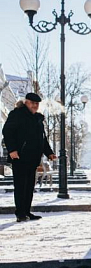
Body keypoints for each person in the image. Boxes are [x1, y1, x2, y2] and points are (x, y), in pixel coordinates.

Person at [2, 93, 56, 222]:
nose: (35, 106)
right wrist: (12, 150)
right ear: (26, 102)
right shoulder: (17, 114)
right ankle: (20, 213)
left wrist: (49, 153)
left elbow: (42, 139)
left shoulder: (38, 119)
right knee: (21, 186)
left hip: (33, 158)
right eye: (32, 103)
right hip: (19, 156)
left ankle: (27, 211)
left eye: (37, 104)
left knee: (29, 187)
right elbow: (7, 132)